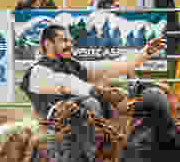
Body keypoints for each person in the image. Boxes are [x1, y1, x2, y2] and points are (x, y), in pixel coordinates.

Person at [19, 23, 166, 120]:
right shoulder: (37, 71)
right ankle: (99, 158)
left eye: (70, 40)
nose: (69, 44)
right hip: (53, 125)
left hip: (79, 121)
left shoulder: (74, 65)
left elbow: (114, 66)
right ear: (48, 44)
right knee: (91, 103)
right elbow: (66, 83)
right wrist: (100, 91)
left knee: (142, 93)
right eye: (64, 40)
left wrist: (145, 52)